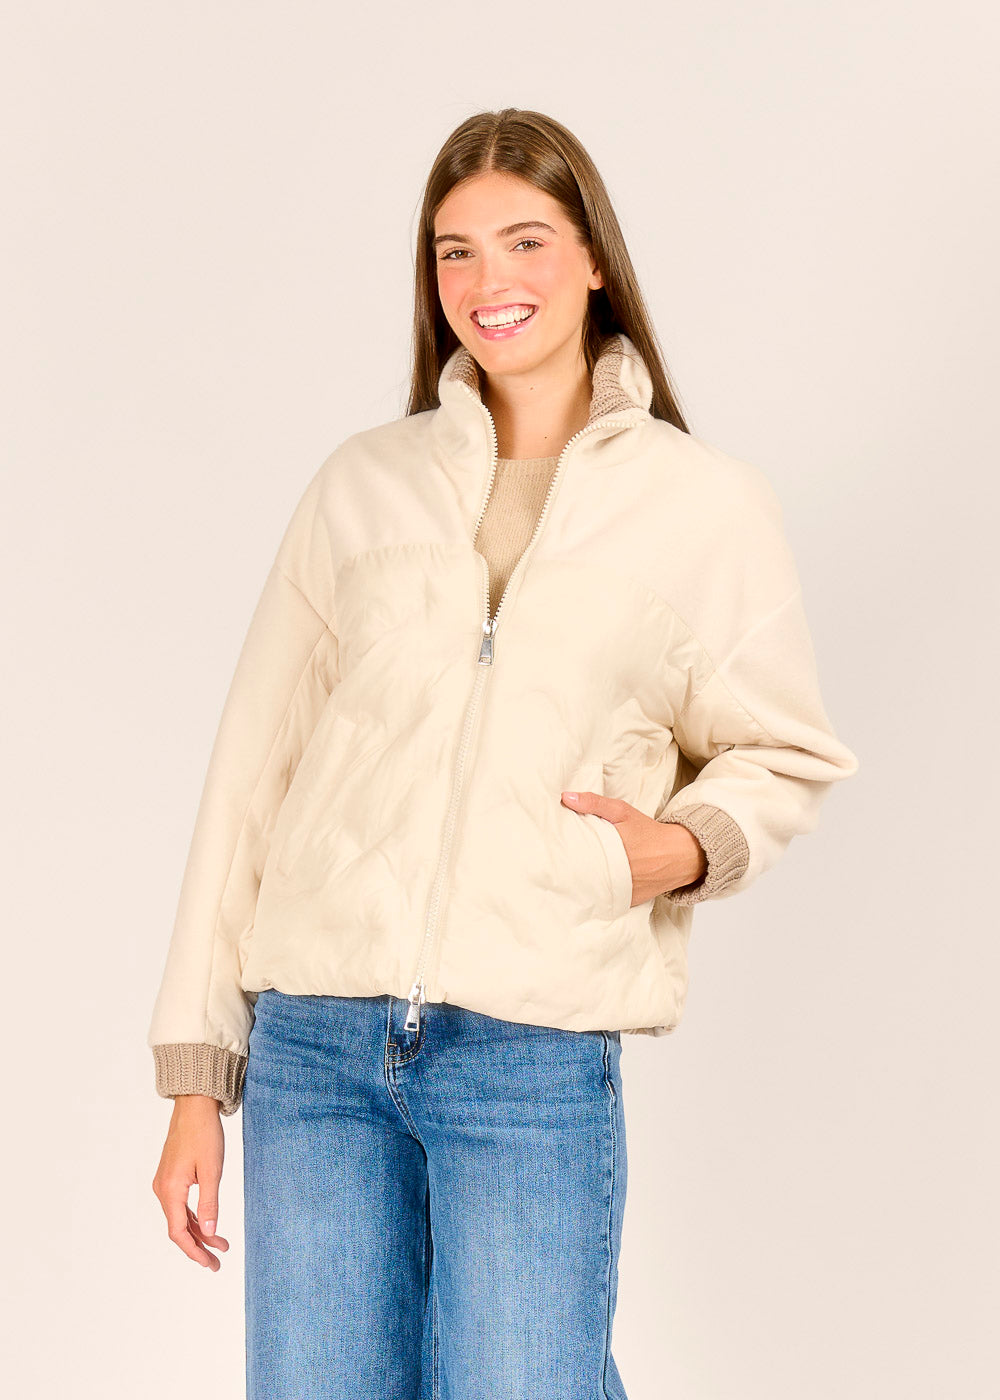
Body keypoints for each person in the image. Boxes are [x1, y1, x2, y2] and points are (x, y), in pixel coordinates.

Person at [149, 108, 859, 1398]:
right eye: (455, 251)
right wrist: (198, 1075)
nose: (490, 281)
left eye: (525, 240)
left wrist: (676, 847)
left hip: (530, 1055)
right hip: (316, 1052)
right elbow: (253, 775)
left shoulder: (701, 505)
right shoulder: (362, 485)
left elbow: (786, 749)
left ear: (592, 260)